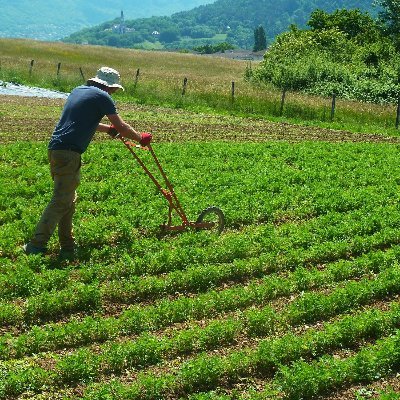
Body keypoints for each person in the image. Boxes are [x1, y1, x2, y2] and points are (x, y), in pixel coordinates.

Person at [23, 66, 152, 257]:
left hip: (57, 149)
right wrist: (140, 138)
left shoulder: (78, 91)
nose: (115, 91)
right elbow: (122, 126)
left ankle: (68, 247)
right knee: (61, 200)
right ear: (108, 86)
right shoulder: (103, 97)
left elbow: (81, 121)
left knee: (68, 199)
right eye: (115, 88)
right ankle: (36, 245)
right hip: (68, 153)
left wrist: (108, 130)